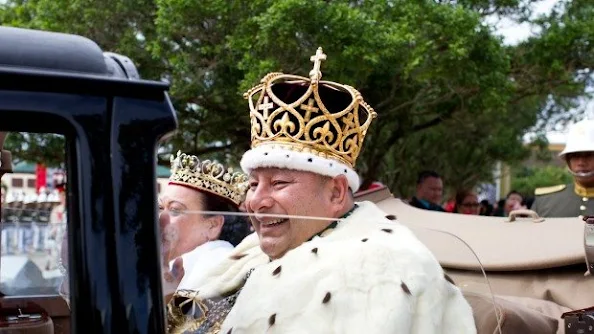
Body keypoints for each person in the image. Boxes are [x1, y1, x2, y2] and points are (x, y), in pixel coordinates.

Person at [166, 48, 476, 333]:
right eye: (253, 184)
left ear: (336, 193)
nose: (256, 201)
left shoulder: (382, 272)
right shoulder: (250, 251)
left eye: (278, 183)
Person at [160, 151, 251, 293]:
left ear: (212, 226)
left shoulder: (221, 272)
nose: (161, 219)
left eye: (175, 210)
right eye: (160, 208)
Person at [531, 119, 594, 218]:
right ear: (568, 160)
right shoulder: (545, 201)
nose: (581, 162)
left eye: (589, 155)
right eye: (575, 156)